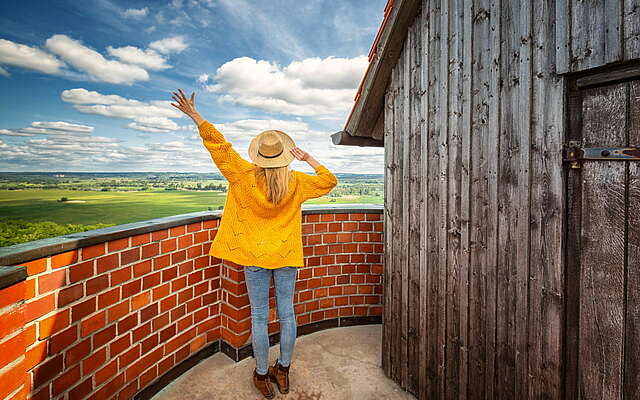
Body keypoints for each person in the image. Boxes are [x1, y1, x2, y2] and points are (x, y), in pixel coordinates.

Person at [170, 89, 338, 398]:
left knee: (259, 317)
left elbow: (219, 147)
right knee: (287, 315)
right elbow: (329, 180)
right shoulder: (297, 181)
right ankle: (283, 370)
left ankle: (262, 374)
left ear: (258, 155)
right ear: (286, 155)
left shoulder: (242, 174)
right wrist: (308, 158)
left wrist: (195, 116)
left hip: (255, 258)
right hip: (287, 256)